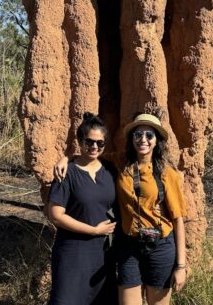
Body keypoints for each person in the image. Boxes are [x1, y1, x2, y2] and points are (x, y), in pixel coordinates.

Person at [55, 112, 187, 305]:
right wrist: (66, 159)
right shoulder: (120, 162)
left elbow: (178, 219)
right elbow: (91, 155)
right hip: (129, 246)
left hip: (159, 247)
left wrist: (181, 265)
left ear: (157, 140)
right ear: (131, 138)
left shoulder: (167, 173)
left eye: (149, 135)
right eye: (138, 134)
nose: (143, 140)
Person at [47, 112, 118, 305]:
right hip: (73, 251)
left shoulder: (110, 171)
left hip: (103, 254)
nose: (94, 146)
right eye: (89, 141)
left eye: (100, 143)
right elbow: (55, 215)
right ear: (80, 141)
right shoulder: (67, 172)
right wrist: (94, 230)